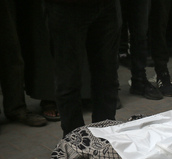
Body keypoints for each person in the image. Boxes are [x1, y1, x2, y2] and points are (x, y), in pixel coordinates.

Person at [44, 0, 120, 136]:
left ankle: (105, 135)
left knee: (107, 75)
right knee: (68, 79)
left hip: (106, 5)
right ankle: (75, 141)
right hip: (66, 7)